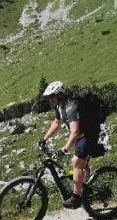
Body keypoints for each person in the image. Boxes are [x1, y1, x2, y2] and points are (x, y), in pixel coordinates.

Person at [38, 81, 90, 209]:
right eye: (48, 97)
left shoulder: (70, 108)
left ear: (60, 95)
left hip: (87, 137)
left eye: (52, 97)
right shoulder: (60, 107)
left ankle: (76, 197)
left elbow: (75, 132)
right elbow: (57, 123)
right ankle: (85, 188)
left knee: (76, 163)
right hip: (79, 138)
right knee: (81, 165)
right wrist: (44, 139)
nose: (50, 100)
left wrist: (64, 150)